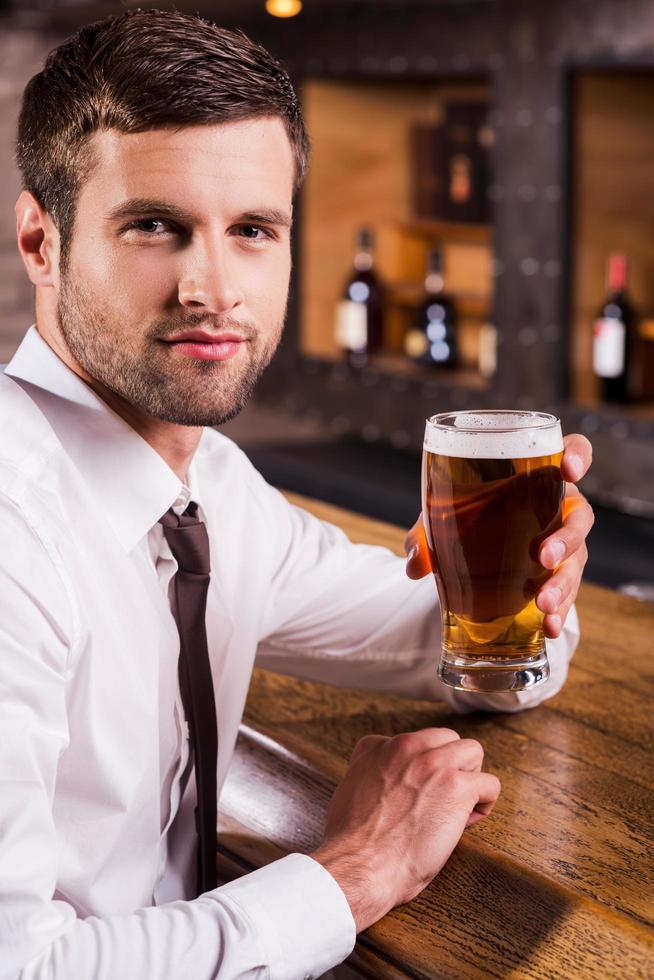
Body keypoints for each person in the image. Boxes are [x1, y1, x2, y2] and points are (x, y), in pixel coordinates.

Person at [0, 9, 593, 979]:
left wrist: (529, 573)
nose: (212, 285)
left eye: (253, 229)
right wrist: (355, 869)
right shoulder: (12, 526)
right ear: (40, 239)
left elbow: (449, 645)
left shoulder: (214, 492)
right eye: (156, 225)